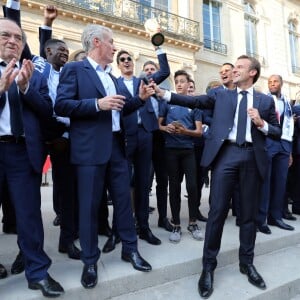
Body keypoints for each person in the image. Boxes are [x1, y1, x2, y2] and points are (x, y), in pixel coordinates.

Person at [156, 55, 281, 298]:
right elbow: (195, 101)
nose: (234, 70)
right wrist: (165, 95)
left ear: (252, 73)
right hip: (226, 155)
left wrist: (261, 123)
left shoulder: (265, 101)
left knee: (248, 215)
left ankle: (247, 263)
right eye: (233, 67)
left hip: (253, 158)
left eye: (240, 67)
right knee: (217, 212)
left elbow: (277, 131)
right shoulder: (220, 94)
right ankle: (208, 267)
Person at [55, 24, 153, 289]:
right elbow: (61, 105)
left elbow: (120, 109)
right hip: (89, 151)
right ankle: (89, 260)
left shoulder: (113, 77)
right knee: (88, 207)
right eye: (111, 42)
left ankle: (130, 249)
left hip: (117, 149)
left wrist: (140, 99)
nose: (114, 47)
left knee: (123, 202)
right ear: (97, 42)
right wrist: (96, 104)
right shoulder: (74, 69)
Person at [0, 18, 64, 297]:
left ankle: (37, 272)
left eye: (18, 38)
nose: (13, 41)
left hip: (21, 152)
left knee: (29, 216)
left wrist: (25, 89)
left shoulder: (34, 74)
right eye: (5, 35)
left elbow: (47, 111)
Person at [115, 47, 170, 246]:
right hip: (126, 136)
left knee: (143, 183)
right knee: (122, 184)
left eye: (129, 58)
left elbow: (164, 72)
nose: (127, 61)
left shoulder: (144, 81)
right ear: (118, 64)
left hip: (146, 133)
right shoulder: (114, 83)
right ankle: (118, 230)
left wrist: (159, 46)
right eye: (122, 59)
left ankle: (144, 228)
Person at [159, 70, 203, 243]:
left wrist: (185, 131)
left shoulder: (194, 105)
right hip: (170, 150)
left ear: (188, 84)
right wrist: (166, 128)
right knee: (174, 188)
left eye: (182, 81)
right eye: (176, 81)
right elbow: (158, 125)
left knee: (192, 187)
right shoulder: (166, 103)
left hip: (188, 150)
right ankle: (176, 224)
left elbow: (199, 132)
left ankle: (193, 223)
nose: (178, 84)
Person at [257, 74, 295, 234]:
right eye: (270, 82)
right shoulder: (264, 100)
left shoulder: (287, 102)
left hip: (285, 144)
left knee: (281, 183)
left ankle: (276, 217)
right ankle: (261, 219)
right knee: (265, 183)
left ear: (281, 84)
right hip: (269, 142)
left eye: (275, 82)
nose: (272, 84)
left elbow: (289, 125)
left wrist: (290, 150)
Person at [143, 59, 173, 232]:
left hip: (161, 141)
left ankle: (163, 218)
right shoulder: (140, 90)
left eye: (152, 69)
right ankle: (142, 221)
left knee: (163, 181)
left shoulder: (164, 95)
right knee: (144, 181)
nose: (149, 72)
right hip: (145, 140)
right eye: (146, 70)